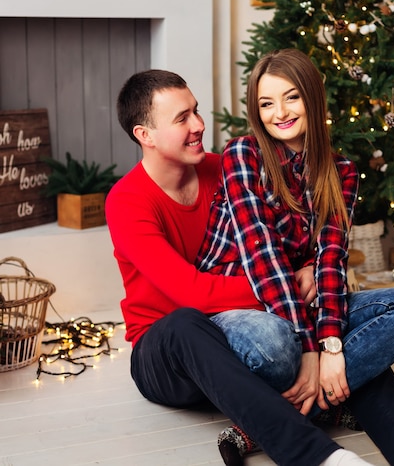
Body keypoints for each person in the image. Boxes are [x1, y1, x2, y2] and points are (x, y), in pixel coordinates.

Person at [105, 68, 377, 466]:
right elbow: (193, 294)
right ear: (144, 135)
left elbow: (289, 241)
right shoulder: (127, 201)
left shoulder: (227, 167)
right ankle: (320, 457)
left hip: (249, 331)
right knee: (190, 323)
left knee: (362, 322)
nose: (199, 125)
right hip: (169, 354)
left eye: (196, 111)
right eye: (182, 119)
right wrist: (287, 285)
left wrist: (309, 275)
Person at [197, 49, 394, 465]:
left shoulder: (342, 171)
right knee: (279, 346)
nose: (279, 112)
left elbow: (331, 259)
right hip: (241, 306)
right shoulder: (243, 154)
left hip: (301, 301)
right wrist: (313, 349)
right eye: (266, 103)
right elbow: (262, 253)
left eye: (291, 97)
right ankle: (328, 399)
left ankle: (275, 419)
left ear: (312, 99)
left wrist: (331, 346)